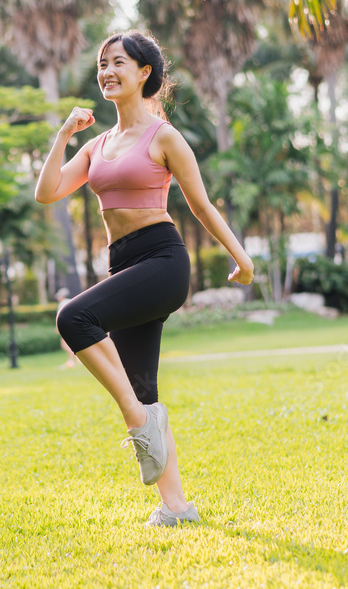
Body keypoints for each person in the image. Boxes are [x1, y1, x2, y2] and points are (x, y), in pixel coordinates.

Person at [34, 30, 254, 528]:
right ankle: (177, 507)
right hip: (123, 263)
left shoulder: (164, 137)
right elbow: (47, 193)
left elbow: (200, 203)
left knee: (73, 316)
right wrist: (64, 134)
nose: (107, 71)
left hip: (162, 262)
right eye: (102, 63)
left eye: (118, 63)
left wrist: (241, 257)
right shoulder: (98, 145)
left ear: (144, 73)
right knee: (143, 386)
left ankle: (138, 420)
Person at [54, 288, 77, 369]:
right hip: (74, 325)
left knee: (65, 344)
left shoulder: (62, 303)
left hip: (66, 326)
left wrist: (58, 328)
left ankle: (71, 360)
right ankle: (76, 359)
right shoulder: (70, 301)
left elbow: (60, 316)